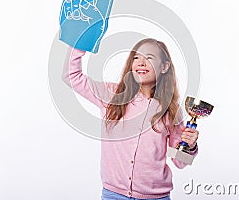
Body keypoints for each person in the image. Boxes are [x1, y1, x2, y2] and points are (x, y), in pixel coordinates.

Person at [62, 38, 199, 200]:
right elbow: (71, 76)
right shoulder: (111, 95)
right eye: (136, 57)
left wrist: (190, 146)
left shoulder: (171, 111)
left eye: (149, 58)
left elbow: (180, 163)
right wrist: (79, 42)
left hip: (156, 197)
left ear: (164, 67)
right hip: (113, 195)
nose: (141, 62)